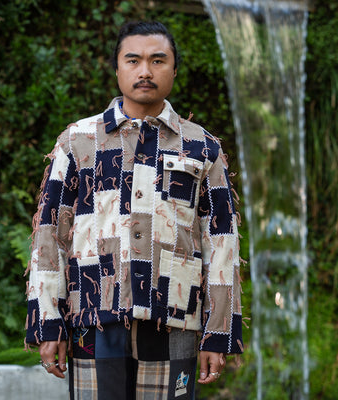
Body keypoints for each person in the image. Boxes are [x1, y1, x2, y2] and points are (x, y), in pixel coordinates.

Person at [25, 20, 244, 399]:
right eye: (133, 60)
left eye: (158, 61)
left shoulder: (202, 148)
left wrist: (218, 330)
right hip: (93, 317)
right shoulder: (78, 142)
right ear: (117, 69)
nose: (145, 71)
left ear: (174, 69)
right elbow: (50, 236)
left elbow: (221, 241)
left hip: (175, 319)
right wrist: (48, 321)